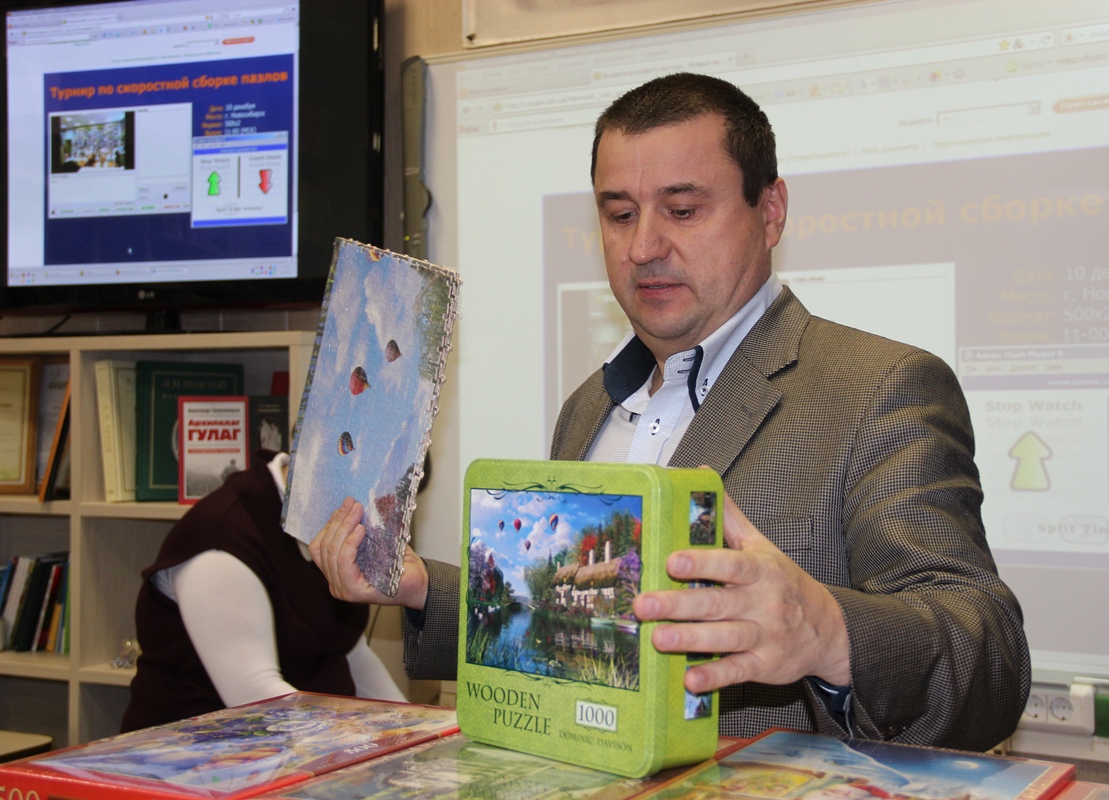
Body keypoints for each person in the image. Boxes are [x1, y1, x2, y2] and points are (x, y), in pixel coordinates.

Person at [310, 72, 1030, 751]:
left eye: (683, 211)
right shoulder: (587, 408)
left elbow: (988, 657)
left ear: (771, 212)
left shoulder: (881, 388)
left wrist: (827, 632)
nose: (643, 247)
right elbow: (584, 620)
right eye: (619, 214)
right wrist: (418, 586)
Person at [121, 449, 404, 732]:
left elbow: (348, 650)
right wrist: (359, 741)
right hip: (203, 747)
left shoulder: (327, 521)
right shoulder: (223, 538)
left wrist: (409, 729)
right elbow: (258, 698)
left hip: (305, 742)